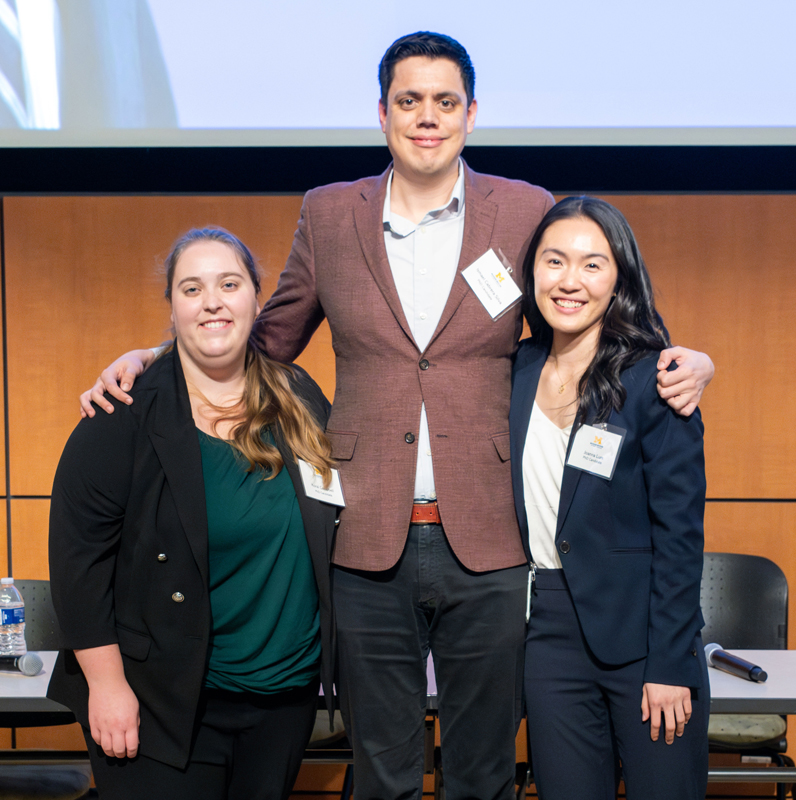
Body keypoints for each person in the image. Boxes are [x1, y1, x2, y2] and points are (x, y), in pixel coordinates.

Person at [77, 33, 714, 800]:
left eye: (445, 102)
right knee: (381, 771)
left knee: (482, 772)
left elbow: (579, 311)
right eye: (409, 101)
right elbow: (267, 333)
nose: (427, 118)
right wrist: (154, 353)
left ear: (471, 114)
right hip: (366, 539)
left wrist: (683, 358)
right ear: (382, 113)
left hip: (489, 541)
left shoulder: (521, 211)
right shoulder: (328, 214)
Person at [48, 228, 337, 800]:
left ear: (258, 300)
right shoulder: (121, 411)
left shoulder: (299, 396)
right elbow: (77, 560)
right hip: (160, 700)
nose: (212, 302)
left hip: (283, 700)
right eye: (192, 288)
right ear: (172, 307)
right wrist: (106, 685)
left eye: (229, 284)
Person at [509, 197, 708, 799]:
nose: (570, 281)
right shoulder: (510, 369)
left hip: (645, 639)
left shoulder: (656, 379)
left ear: (618, 278)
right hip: (547, 637)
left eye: (593, 265)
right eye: (554, 261)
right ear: (533, 272)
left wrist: (670, 663)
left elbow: (679, 534)